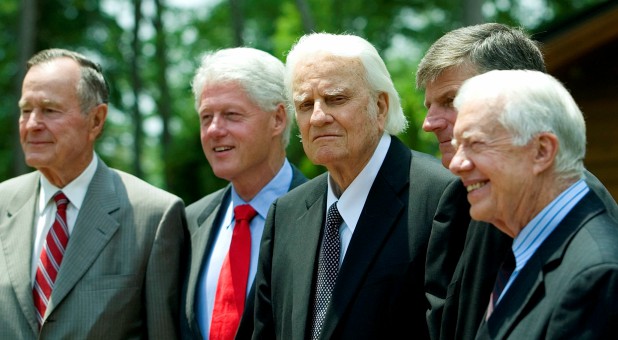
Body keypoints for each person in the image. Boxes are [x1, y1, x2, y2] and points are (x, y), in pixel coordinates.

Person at [251, 32, 471, 339]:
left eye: (335, 99)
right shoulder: (285, 214)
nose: (317, 117)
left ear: (380, 107)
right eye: (304, 104)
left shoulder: (441, 196)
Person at [415, 23, 618, 340]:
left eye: (452, 100)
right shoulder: (463, 198)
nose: (429, 123)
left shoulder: (596, 268)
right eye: (429, 105)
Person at [0, 48, 187, 339]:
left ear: (96, 120)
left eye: (49, 110)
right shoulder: (2, 203)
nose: (33, 124)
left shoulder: (153, 216)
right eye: (26, 110)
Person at [179, 47, 307, 340]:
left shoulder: (325, 214)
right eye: (206, 116)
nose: (213, 130)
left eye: (231, 115)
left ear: (277, 119)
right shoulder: (189, 222)